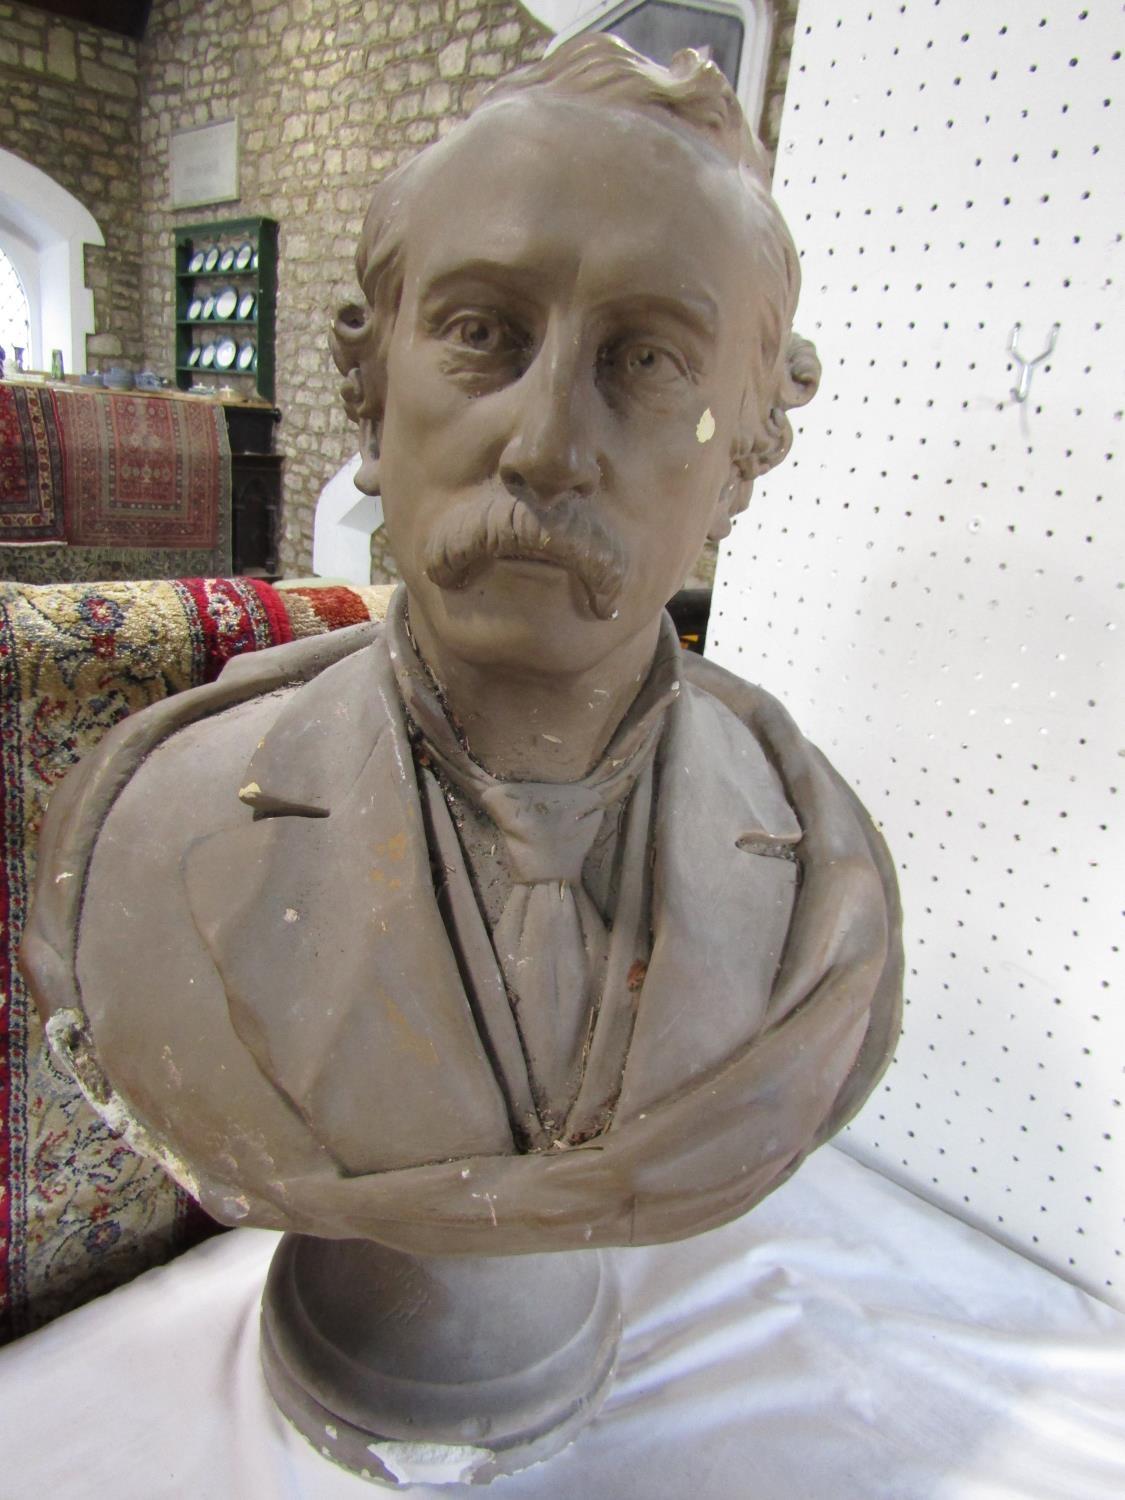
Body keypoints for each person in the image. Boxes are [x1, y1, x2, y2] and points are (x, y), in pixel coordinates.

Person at [22, 36, 901, 1257]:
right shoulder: (144, 831)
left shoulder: (829, 888)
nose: (546, 445)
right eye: (484, 332)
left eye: (645, 360)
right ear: (372, 399)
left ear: (740, 459)